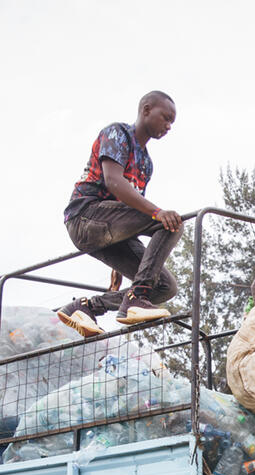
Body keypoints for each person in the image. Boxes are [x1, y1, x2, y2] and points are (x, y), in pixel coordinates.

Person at [55, 90, 183, 337]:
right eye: (165, 118)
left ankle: (87, 307)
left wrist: (119, 270)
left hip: (108, 229)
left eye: (172, 123)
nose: (168, 126)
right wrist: (158, 212)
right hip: (85, 214)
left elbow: (129, 211)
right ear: (146, 109)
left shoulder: (146, 163)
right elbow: (114, 183)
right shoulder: (117, 133)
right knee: (170, 223)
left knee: (165, 287)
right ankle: (136, 299)